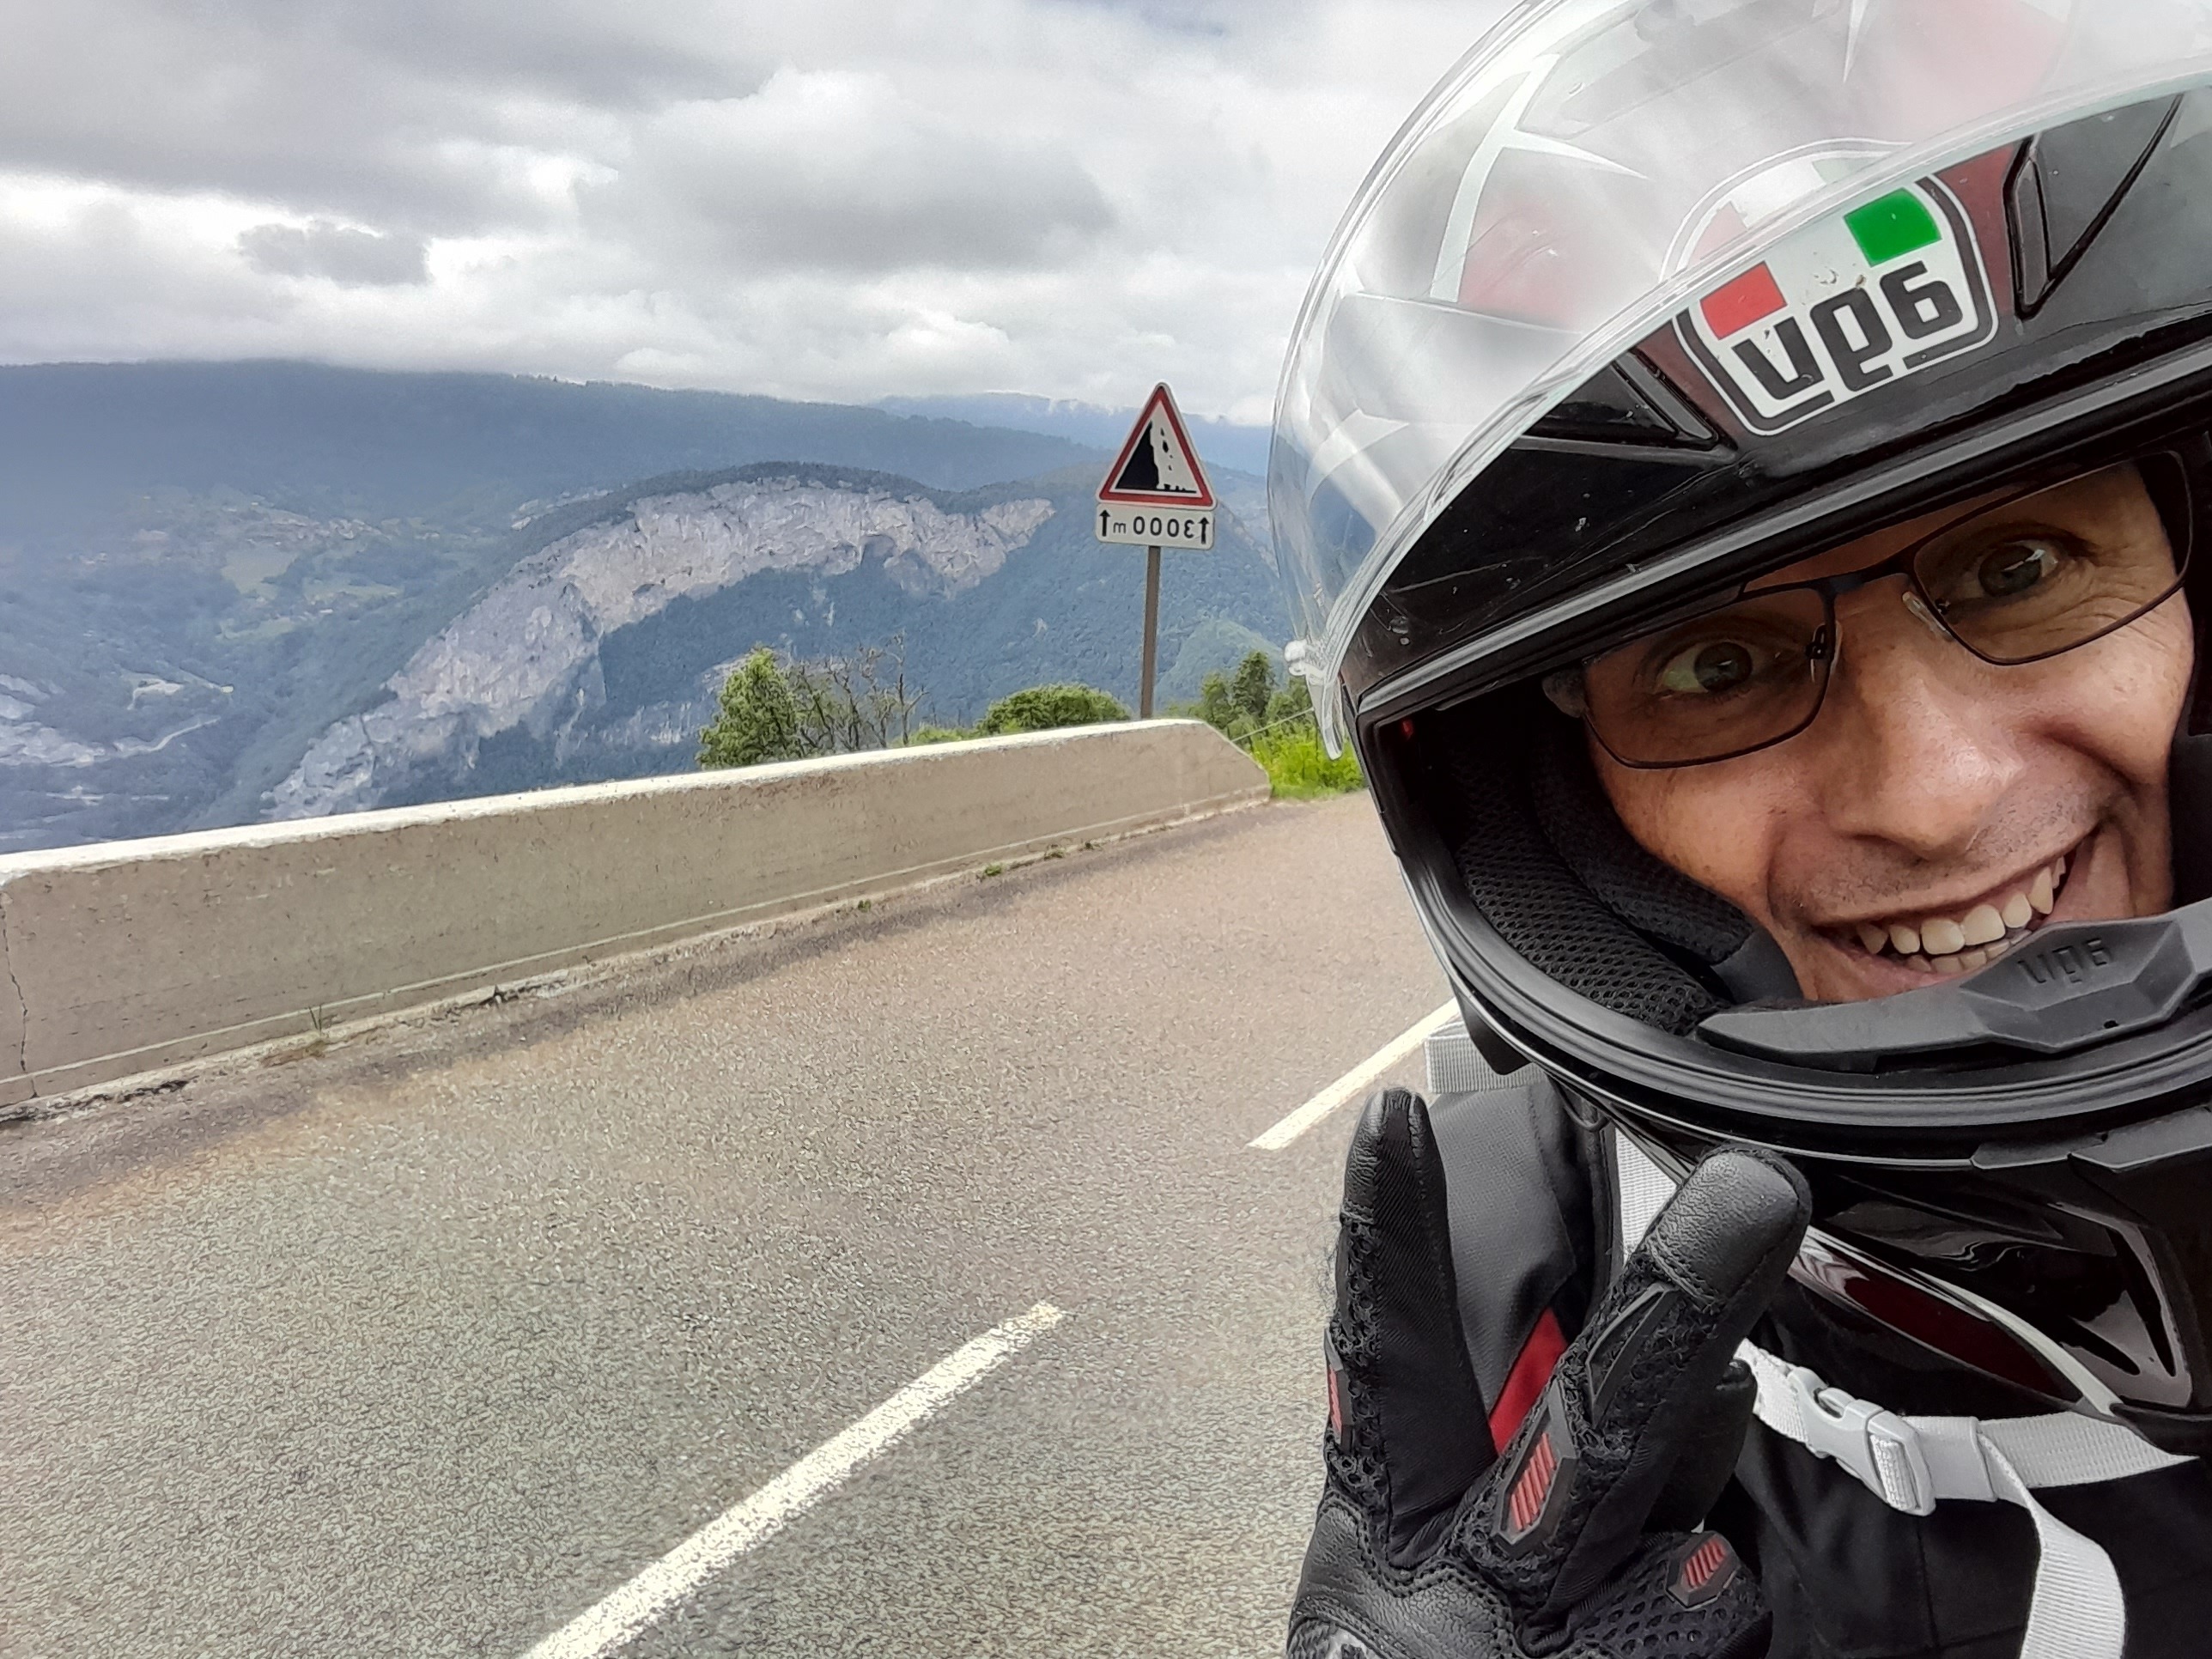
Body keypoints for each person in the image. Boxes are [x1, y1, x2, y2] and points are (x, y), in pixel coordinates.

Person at [1266, 5, 2212, 1657]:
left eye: (2021, 568)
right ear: (1560, 808)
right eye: (1722, 666)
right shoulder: (1510, 1264)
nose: (1936, 795)